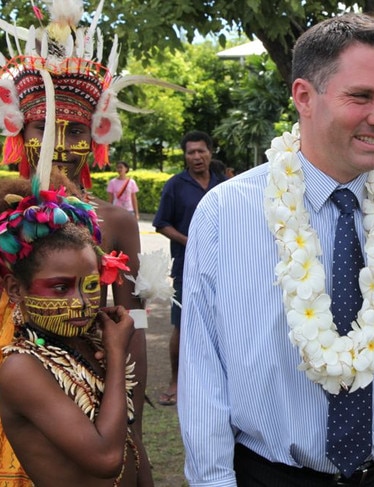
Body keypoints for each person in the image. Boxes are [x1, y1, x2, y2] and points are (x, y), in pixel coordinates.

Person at [177, 13, 374, 487]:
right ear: (304, 97)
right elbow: (204, 379)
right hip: (269, 476)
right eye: (361, 96)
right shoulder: (225, 214)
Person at [0, 1, 186, 482]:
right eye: (45, 127)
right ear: (21, 129)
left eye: (77, 129)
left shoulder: (117, 221)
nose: (60, 144)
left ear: (98, 134)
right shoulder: (2, 210)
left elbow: (133, 322)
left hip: (91, 381)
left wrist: (136, 433)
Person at [0, 177, 152, 486]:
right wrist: (116, 353)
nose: (81, 302)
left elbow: (130, 446)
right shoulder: (20, 368)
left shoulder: (88, 343)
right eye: (60, 288)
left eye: (91, 285)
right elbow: (107, 459)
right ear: (15, 289)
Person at [153, 130, 221, 407]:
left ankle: (215, 382)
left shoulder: (223, 183)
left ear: (210, 152)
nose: (196, 157)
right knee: (182, 325)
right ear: (185, 155)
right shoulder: (175, 185)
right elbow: (161, 223)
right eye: (191, 152)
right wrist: (190, 241)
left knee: (221, 324)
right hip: (187, 268)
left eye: (201, 151)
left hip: (221, 266)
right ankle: (175, 381)